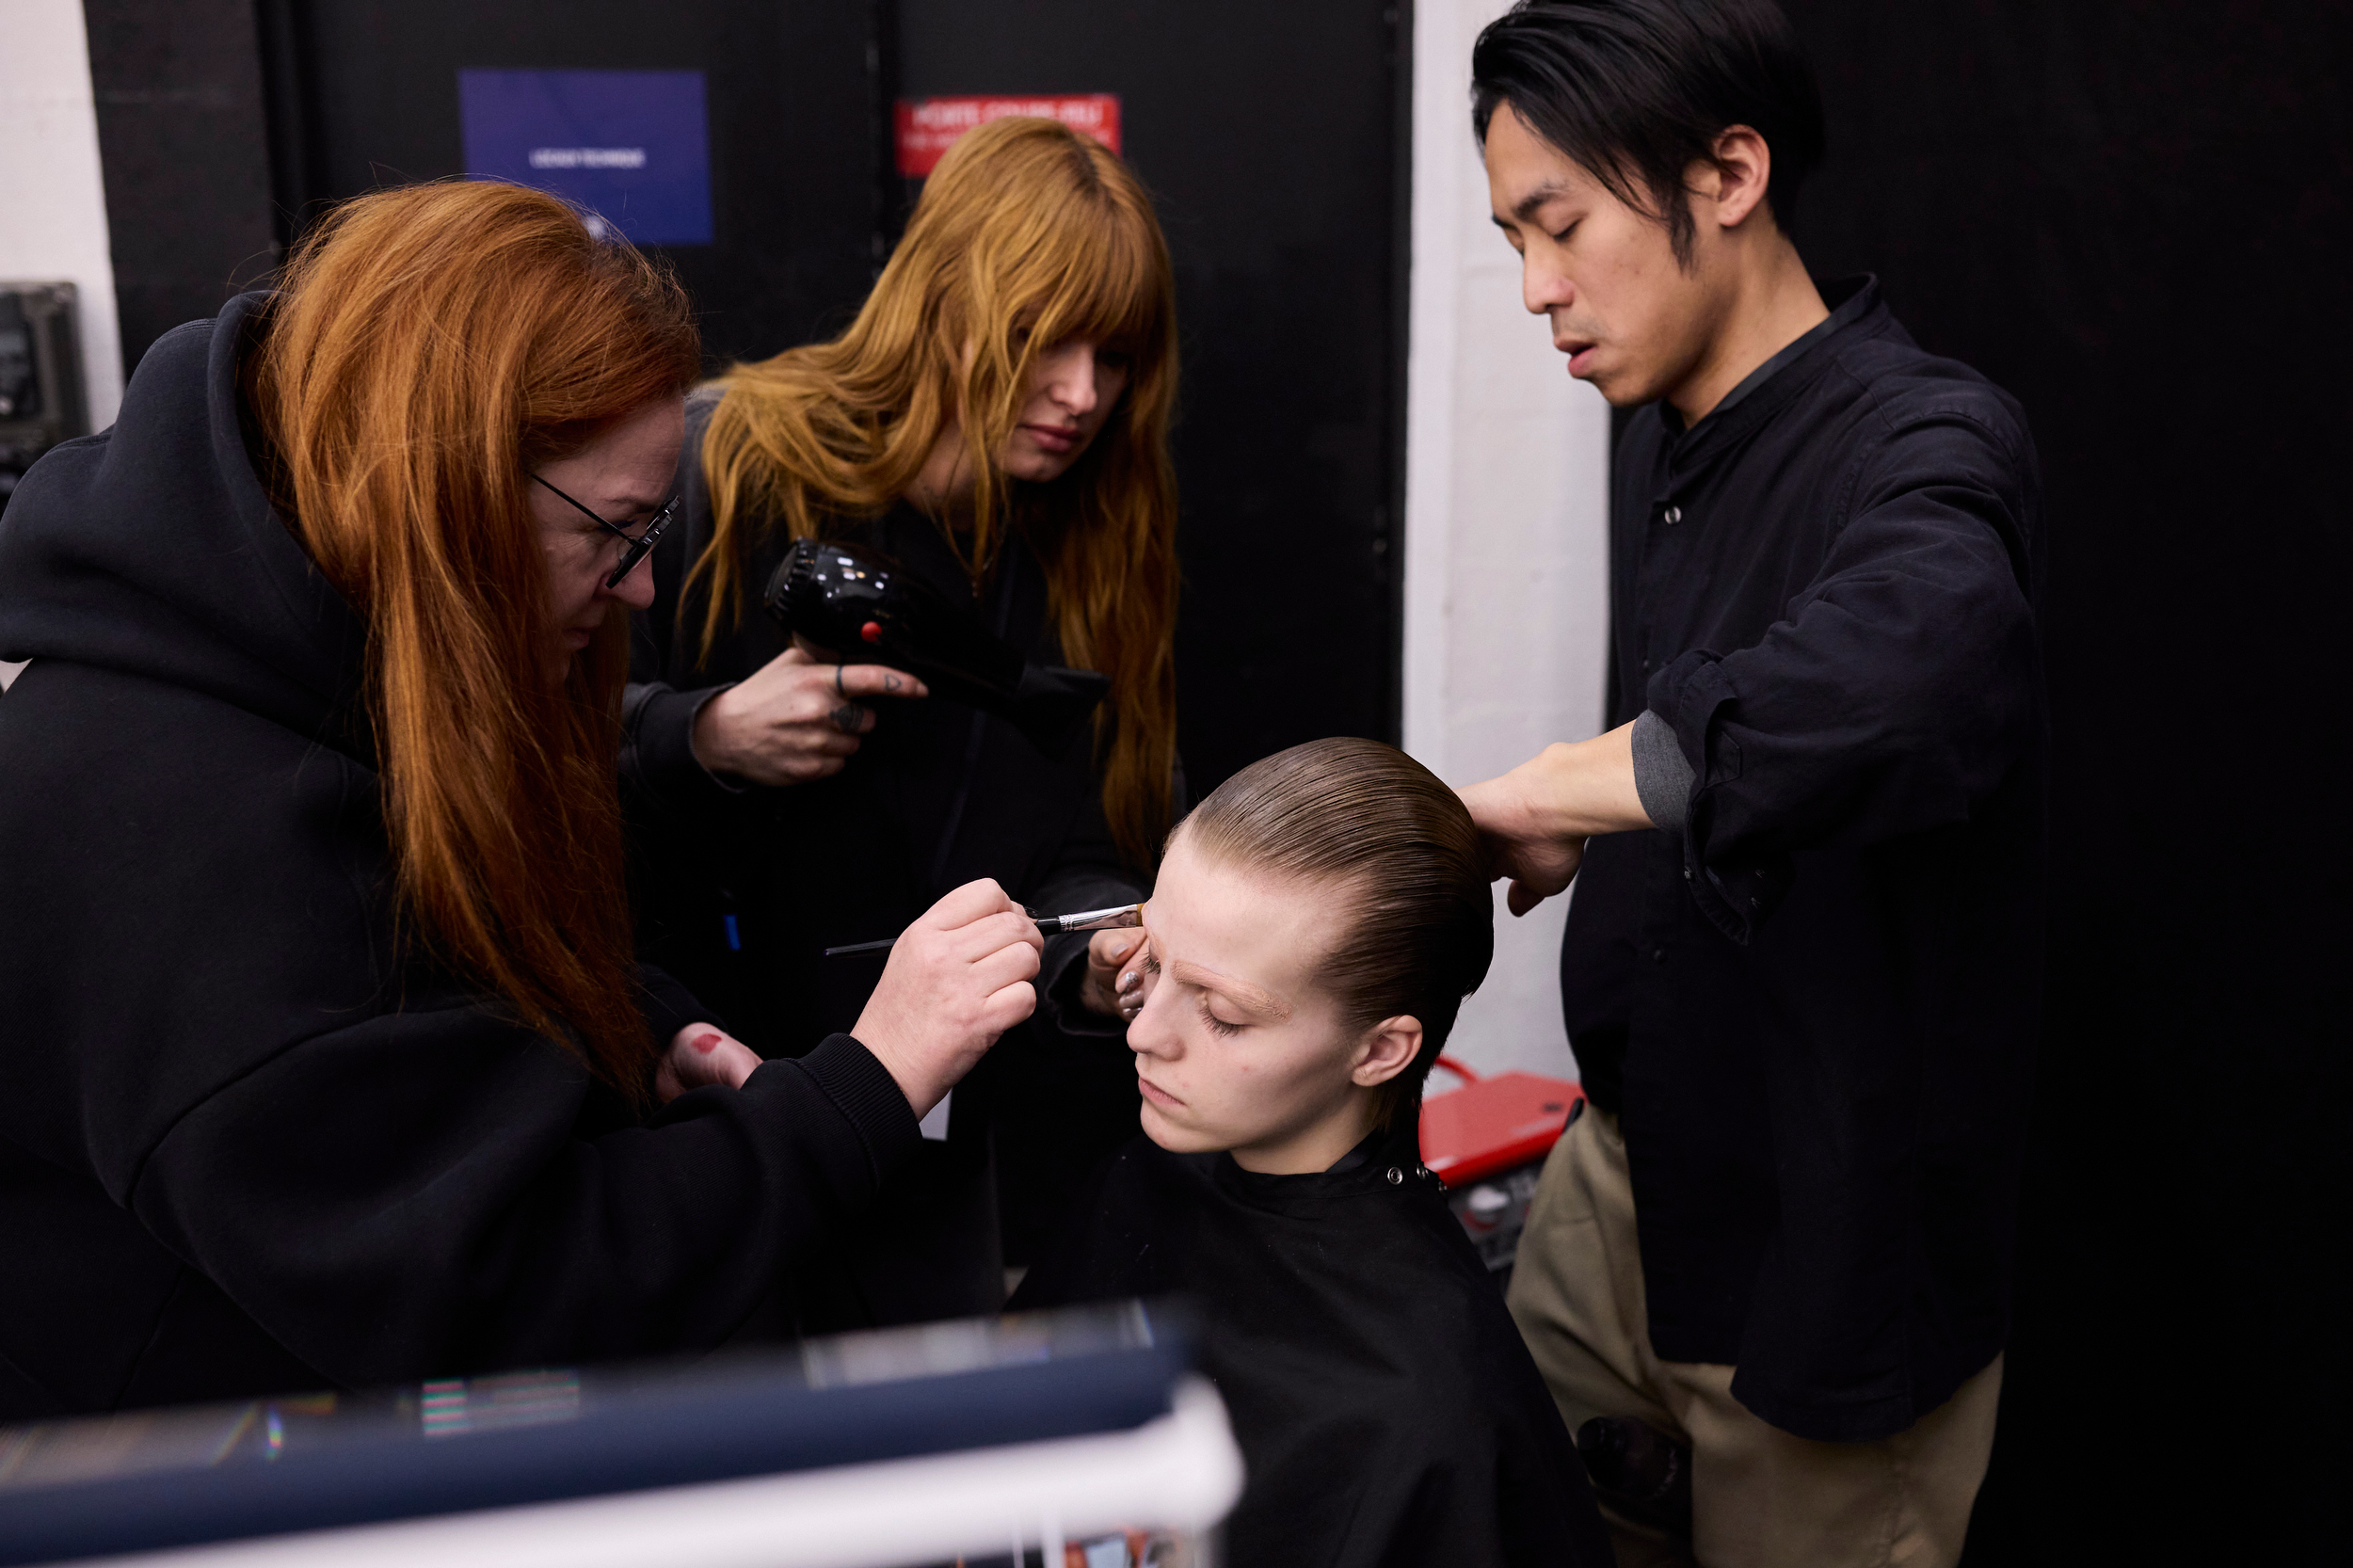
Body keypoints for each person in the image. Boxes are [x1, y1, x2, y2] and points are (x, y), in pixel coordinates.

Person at [0, 181, 1043, 1420]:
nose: (643, 586)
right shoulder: (201, 850)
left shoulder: (304, 657)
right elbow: (510, 1281)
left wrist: (624, 1026)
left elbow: (437, 961)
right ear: (436, 489)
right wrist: (872, 1078)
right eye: (615, 529)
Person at [1453, 4, 2045, 1565]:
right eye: (1515, 237)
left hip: (1826, 1237)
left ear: (1728, 172)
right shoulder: (1650, 428)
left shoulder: (1927, 435)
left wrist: (1581, 785)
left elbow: (1900, 682)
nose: (1536, 290)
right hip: (1621, 1174)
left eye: (1560, 226)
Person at [622, 116, 1180, 1320]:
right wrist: (703, 736)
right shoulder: (726, 469)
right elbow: (510, 768)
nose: (1081, 394)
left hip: (929, 1156)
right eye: (1042, 341)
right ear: (945, 302)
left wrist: (1095, 960)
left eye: (1115, 357)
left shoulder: (1086, 552)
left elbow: (1073, 838)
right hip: (688, 1115)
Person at [1011, 739, 1614, 1568]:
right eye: (1153, 959)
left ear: (1380, 1051)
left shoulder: (1426, 1403)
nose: (1145, 1032)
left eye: (1221, 1013)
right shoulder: (1145, 1178)